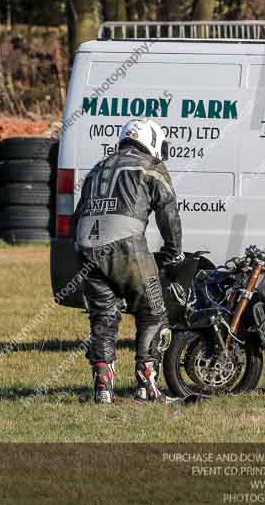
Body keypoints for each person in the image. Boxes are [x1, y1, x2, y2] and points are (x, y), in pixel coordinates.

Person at [74, 118, 183, 404]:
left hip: (86, 248)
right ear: (152, 141)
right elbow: (168, 212)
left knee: (104, 318)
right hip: (128, 249)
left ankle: (103, 391)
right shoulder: (151, 166)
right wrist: (173, 251)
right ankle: (147, 387)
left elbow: (77, 215)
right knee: (154, 312)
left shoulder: (97, 169)